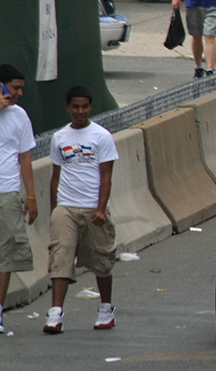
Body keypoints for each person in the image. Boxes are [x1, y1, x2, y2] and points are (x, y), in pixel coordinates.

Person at [45, 85, 119, 334]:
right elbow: (55, 176)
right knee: (60, 257)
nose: (80, 111)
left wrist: (101, 209)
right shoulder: (59, 137)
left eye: (84, 107)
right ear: (68, 107)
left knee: (102, 261)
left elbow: (106, 176)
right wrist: (54, 210)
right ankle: (55, 314)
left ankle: (106, 309)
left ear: (90, 107)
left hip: (93, 209)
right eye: (75, 107)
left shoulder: (101, 136)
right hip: (66, 207)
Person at [0, 65, 37, 335]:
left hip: (8, 191)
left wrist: (31, 195)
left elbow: (25, 157)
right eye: (15, 88)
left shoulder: (20, 115)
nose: (19, 93)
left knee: (6, 254)